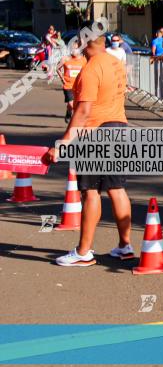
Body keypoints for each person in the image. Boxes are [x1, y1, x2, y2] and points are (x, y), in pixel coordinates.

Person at [46, 33, 133, 266]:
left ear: (84, 44)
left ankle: (83, 252)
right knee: (117, 188)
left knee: (90, 192)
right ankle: (125, 245)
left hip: (95, 132)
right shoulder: (116, 63)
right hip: (118, 126)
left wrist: (63, 143)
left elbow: (83, 111)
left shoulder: (91, 70)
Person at [57, 38, 87, 122]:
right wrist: (62, 79)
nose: (74, 50)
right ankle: (72, 117)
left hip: (79, 86)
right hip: (68, 85)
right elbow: (57, 68)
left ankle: (68, 112)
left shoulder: (84, 60)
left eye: (76, 48)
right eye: (72, 48)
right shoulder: (66, 59)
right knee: (71, 104)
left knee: (76, 104)